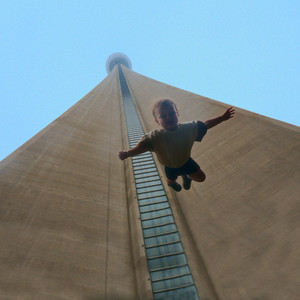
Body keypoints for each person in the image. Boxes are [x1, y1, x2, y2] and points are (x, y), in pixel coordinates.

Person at [119, 99, 235, 192]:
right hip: (170, 166)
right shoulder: (155, 136)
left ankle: (187, 177)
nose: (168, 117)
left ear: (177, 114)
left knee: (201, 177)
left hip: (186, 161)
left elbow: (205, 125)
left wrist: (221, 118)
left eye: (171, 113)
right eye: (163, 116)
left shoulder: (188, 128)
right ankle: (172, 184)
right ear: (157, 121)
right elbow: (142, 147)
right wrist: (128, 153)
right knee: (170, 179)